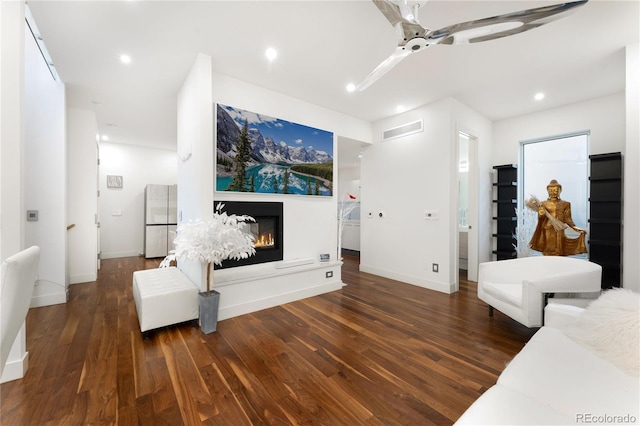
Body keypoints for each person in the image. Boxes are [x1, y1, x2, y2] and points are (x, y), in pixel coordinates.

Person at [529, 179, 587, 256]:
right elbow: (541, 218)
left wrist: (576, 228)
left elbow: (568, 219)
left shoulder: (565, 204)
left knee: (559, 249)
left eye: (556, 190)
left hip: (560, 228)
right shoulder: (543, 204)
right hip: (548, 228)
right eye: (551, 190)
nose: (553, 192)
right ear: (548, 191)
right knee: (549, 249)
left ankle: (559, 264)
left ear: (560, 191)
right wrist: (541, 214)